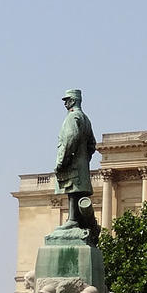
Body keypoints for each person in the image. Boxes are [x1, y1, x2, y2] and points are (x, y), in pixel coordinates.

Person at [55, 89, 97, 230]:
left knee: (72, 190)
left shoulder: (72, 117)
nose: (65, 103)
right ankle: (76, 220)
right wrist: (85, 159)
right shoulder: (86, 118)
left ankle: (72, 219)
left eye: (67, 100)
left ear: (73, 101)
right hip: (81, 163)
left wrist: (62, 160)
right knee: (76, 191)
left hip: (72, 162)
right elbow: (92, 144)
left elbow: (70, 138)